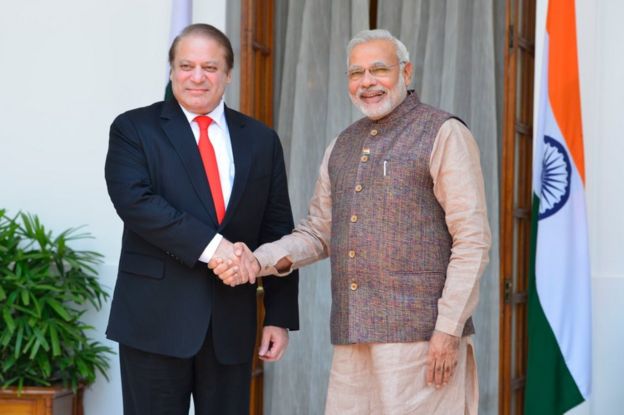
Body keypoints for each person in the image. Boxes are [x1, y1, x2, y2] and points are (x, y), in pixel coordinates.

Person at [211, 29, 491, 414]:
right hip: (352, 340)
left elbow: (472, 239)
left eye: (379, 69)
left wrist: (448, 329)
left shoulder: (443, 132)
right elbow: (316, 233)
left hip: (421, 340)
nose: (367, 81)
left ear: (406, 72)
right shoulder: (341, 145)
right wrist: (254, 261)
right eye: (356, 73)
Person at [104, 23, 299, 415]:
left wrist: (278, 315)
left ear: (228, 74)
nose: (197, 77)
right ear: (172, 71)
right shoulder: (133, 129)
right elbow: (136, 203)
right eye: (186, 65)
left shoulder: (261, 140)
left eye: (210, 67)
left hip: (230, 323)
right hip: (153, 322)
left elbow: (277, 228)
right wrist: (217, 250)